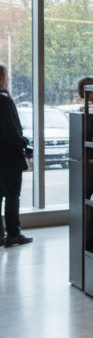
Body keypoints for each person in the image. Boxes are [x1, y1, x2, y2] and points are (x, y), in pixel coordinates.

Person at [0, 63, 32, 247]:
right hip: (8, 158)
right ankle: (13, 234)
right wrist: (24, 142)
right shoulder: (4, 100)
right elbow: (11, 131)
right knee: (12, 196)